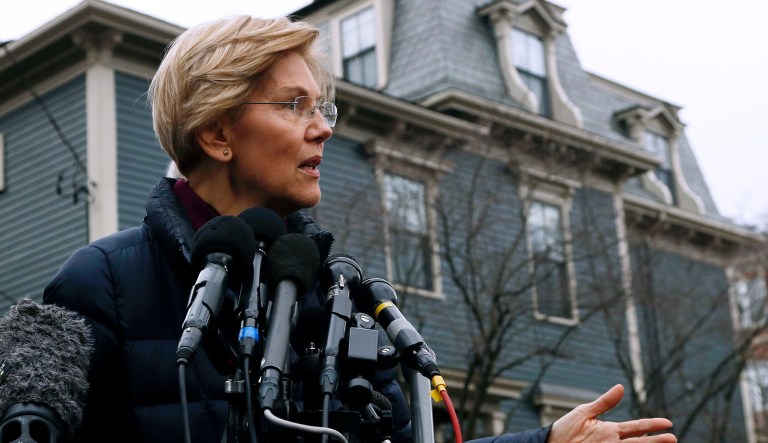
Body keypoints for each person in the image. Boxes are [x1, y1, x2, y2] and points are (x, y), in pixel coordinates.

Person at [43, 14, 676, 443]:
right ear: (216, 133)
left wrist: (545, 442)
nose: (323, 127)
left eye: (323, 108)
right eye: (295, 106)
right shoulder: (101, 284)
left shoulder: (341, 297)